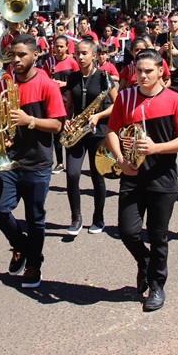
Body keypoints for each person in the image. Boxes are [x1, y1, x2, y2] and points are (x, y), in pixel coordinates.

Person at [105, 48, 178, 312]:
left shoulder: (175, 100)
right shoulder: (125, 98)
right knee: (128, 231)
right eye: (139, 71)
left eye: (148, 71)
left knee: (158, 235)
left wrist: (156, 148)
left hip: (162, 177)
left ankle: (156, 286)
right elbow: (112, 130)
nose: (142, 76)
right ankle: (144, 262)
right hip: (132, 176)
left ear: (160, 71)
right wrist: (121, 160)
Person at [0, 34, 66, 290]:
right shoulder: (5, 82)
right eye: (13, 54)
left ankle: (34, 263)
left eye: (22, 55)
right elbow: (2, 120)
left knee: (35, 219)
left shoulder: (47, 84)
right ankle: (21, 245)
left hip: (37, 163)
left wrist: (29, 120)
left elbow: (56, 125)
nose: (16, 59)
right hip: (10, 160)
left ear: (35, 55)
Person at [63, 39, 117, 236]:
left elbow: (116, 104)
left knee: (97, 176)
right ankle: (76, 218)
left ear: (94, 55)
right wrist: (67, 120)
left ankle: (98, 217)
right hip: (77, 132)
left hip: (98, 132)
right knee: (72, 175)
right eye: (78, 53)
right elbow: (69, 105)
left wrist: (99, 115)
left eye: (85, 53)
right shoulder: (72, 77)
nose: (80, 56)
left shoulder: (104, 77)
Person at [44, 36, 79, 173]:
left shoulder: (72, 62)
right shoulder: (49, 62)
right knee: (57, 134)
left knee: (69, 131)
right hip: (54, 101)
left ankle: (71, 161)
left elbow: (77, 81)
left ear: (66, 47)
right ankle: (59, 162)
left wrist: (65, 84)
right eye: (56, 46)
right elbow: (45, 81)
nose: (58, 49)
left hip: (68, 100)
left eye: (61, 46)